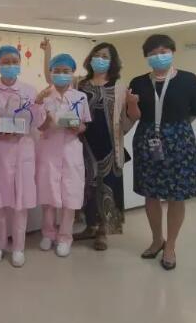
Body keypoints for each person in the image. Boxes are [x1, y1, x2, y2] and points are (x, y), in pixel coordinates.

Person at [42, 39, 140, 250]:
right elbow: (54, 76)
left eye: (105, 57)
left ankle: (103, 231)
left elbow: (129, 118)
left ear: (113, 62)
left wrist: (132, 104)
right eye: (97, 55)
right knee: (86, 187)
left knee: (108, 187)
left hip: (109, 145)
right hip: (82, 143)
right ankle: (90, 226)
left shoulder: (119, 88)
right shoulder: (80, 83)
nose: (100, 60)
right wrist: (48, 52)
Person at [129, 34, 196, 270]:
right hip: (147, 140)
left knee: (176, 195)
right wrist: (131, 104)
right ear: (147, 57)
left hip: (180, 140)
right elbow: (133, 115)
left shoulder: (189, 79)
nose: (158, 56)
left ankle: (170, 245)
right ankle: (156, 240)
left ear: (172, 52)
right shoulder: (138, 82)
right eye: (153, 53)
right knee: (150, 194)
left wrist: (174, 130)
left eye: (163, 52)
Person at [0, 45, 45, 267]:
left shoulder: (30, 91)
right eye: (6, 62)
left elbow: (38, 122)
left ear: (20, 64)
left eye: (14, 61)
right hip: (0, 149)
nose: (11, 66)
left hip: (23, 149)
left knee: (20, 202)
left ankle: (19, 247)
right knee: (0, 202)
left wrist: (38, 104)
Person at [35, 53, 91, 258]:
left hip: (71, 150)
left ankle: (65, 237)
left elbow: (84, 125)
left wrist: (77, 126)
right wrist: (48, 120)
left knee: (70, 196)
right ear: (51, 72)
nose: (61, 74)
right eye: (56, 71)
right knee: (48, 195)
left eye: (65, 71)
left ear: (72, 73)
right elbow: (40, 127)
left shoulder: (80, 97)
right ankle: (48, 234)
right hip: (49, 150)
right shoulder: (44, 96)